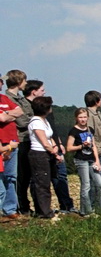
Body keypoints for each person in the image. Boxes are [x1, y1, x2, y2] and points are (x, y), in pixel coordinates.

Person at [24, 97, 61, 221]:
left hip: (47, 153)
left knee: (45, 182)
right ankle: (44, 212)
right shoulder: (36, 122)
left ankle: (44, 209)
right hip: (39, 154)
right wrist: (54, 152)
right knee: (41, 184)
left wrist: (55, 146)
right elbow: (44, 142)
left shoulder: (44, 121)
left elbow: (50, 137)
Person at [64, 110, 98, 217]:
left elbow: (94, 145)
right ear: (76, 118)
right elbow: (69, 148)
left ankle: (89, 208)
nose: (83, 119)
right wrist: (81, 146)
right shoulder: (73, 131)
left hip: (91, 159)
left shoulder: (90, 130)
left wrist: (97, 159)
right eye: (80, 117)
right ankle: (86, 211)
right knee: (86, 185)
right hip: (81, 159)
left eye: (84, 117)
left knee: (94, 184)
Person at [81, 91, 101, 213]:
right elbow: (89, 134)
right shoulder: (89, 115)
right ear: (97, 101)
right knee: (94, 181)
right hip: (98, 151)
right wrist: (96, 151)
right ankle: (92, 207)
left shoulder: (98, 114)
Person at [0, 71, 24, 218]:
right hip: (2, 143)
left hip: (12, 140)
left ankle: (10, 209)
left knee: (11, 177)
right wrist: (8, 115)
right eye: (0, 81)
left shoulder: (4, 98)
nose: (2, 84)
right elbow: (2, 118)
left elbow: (19, 111)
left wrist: (6, 114)